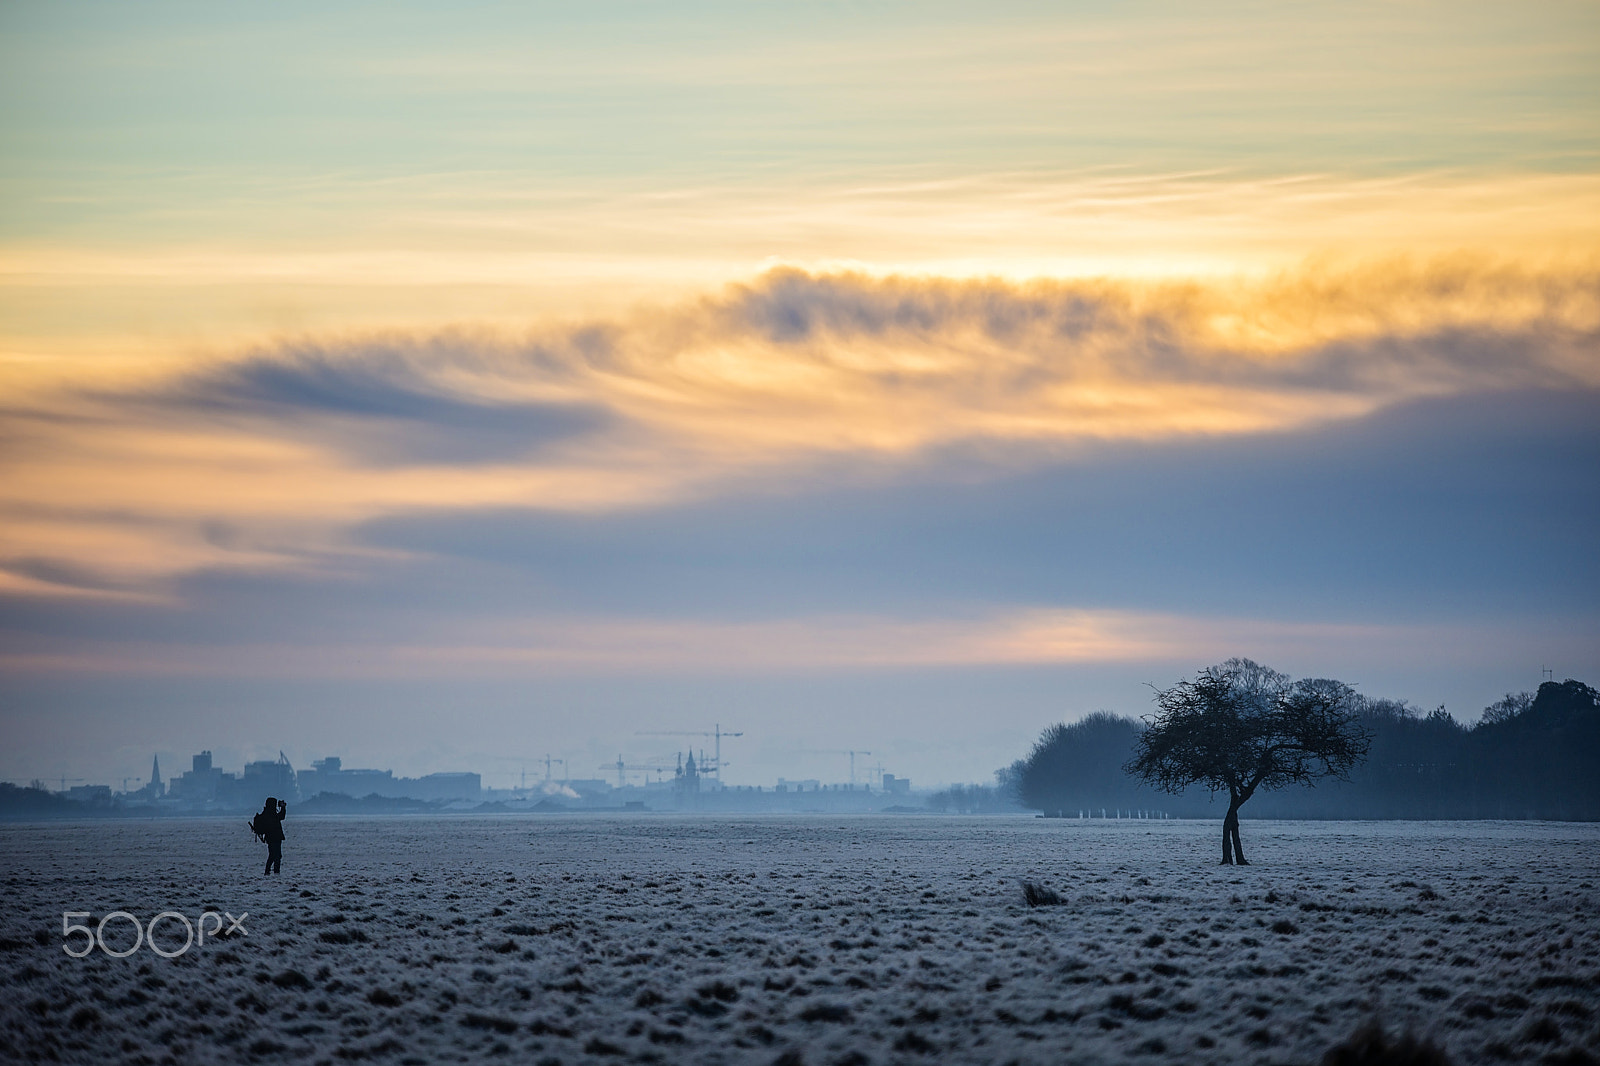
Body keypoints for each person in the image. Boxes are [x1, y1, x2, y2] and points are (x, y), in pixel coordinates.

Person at [253, 797, 287, 875]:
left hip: (271, 838)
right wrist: (283, 808)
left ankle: (268, 872)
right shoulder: (270, 814)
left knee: (273, 855)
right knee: (276, 856)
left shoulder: (266, 813)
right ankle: (275, 872)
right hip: (275, 838)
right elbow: (282, 816)